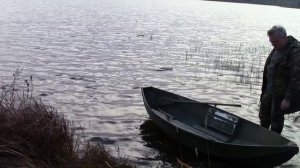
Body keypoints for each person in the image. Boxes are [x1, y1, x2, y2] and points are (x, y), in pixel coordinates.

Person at [259, 25, 300, 134]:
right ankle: (262, 138)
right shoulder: (277, 47)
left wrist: (288, 98)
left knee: (276, 120)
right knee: (263, 116)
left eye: (275, 41)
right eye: (271, 42)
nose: (273, 44)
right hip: (269, 90)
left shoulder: (295, 50)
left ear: (284, 37)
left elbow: (297, 77)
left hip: (282, 94)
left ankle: (273, 142)